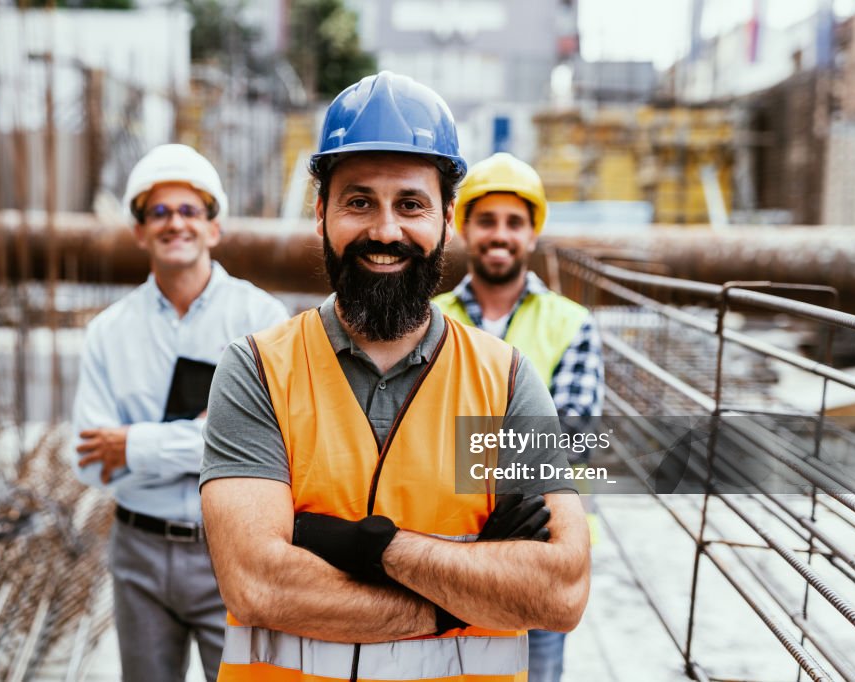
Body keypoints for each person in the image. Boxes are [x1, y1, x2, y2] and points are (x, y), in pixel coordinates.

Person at [200, 71, 590, 682]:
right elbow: (258, 584)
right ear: (321, 210)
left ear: (446, 218)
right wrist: (465, 590)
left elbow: (560, 592)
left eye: (410, 204)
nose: (385, 231)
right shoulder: (257, 370)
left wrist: (377, 548)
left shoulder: (505, 379)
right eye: (359, 202)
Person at [70, 144, 289, 682]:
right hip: (138, 554)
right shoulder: (108, 332)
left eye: (190, 210)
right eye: (159, 213)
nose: (175, 224)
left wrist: (136, 445)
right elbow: (89, 460)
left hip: (233, 547)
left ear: (214, 228)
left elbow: (272, 444)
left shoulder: (261, 319)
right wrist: (207, 439)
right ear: (140, 231)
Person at [434, 152, 605, 682]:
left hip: (542, 551)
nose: (499, 235)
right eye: (486, 220)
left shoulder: (571, 324)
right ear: (464, 229)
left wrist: (454, 461)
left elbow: (570, 441)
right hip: (444, 550)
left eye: (514, 222)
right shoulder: (430, 318)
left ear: (532, 235)